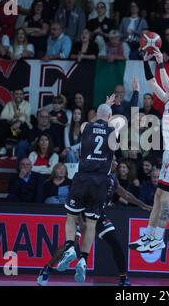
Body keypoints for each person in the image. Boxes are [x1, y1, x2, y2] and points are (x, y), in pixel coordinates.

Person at [37, 166, 151, 286]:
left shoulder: (112, 179)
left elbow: (126, 195)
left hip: (98, 215)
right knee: (71, 244)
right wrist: (81, 223)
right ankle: (47, 269)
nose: (116, 163)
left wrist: (143, 205)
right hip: (81, 213)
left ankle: (124, 279)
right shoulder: (92, 177)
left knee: (115, 242)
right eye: (113, 160)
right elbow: (78, 200)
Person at [129, 48, 169, 253]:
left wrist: (161, 61)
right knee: (159, 195)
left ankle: (158, 238)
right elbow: (154, 84)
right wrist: (145, 62)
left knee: (166, 199)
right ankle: (148, 236)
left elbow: (166, 84)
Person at [57, 103, 120, 283]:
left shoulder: (87, 127)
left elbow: (96, 121)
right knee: (91, 224)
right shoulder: (113, 131)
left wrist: (105, 106)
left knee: (71, 216)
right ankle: (83, 259)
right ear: (110, 116)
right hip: (101, 181)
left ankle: (70, 248)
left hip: (83, 177)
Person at [0, 89, 32, 156]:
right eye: (16, 94)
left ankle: (20, 149)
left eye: (20, 94)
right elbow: (3, 116)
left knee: (24, 124)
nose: (18, 96)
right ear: (13, 95)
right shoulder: (9, 104)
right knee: (2, 123)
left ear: (23, 96)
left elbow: (25, 117)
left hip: (20, 131)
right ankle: (3, 148)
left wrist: (19, 122)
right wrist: (14, 118)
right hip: (12, 130)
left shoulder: (27, 105)